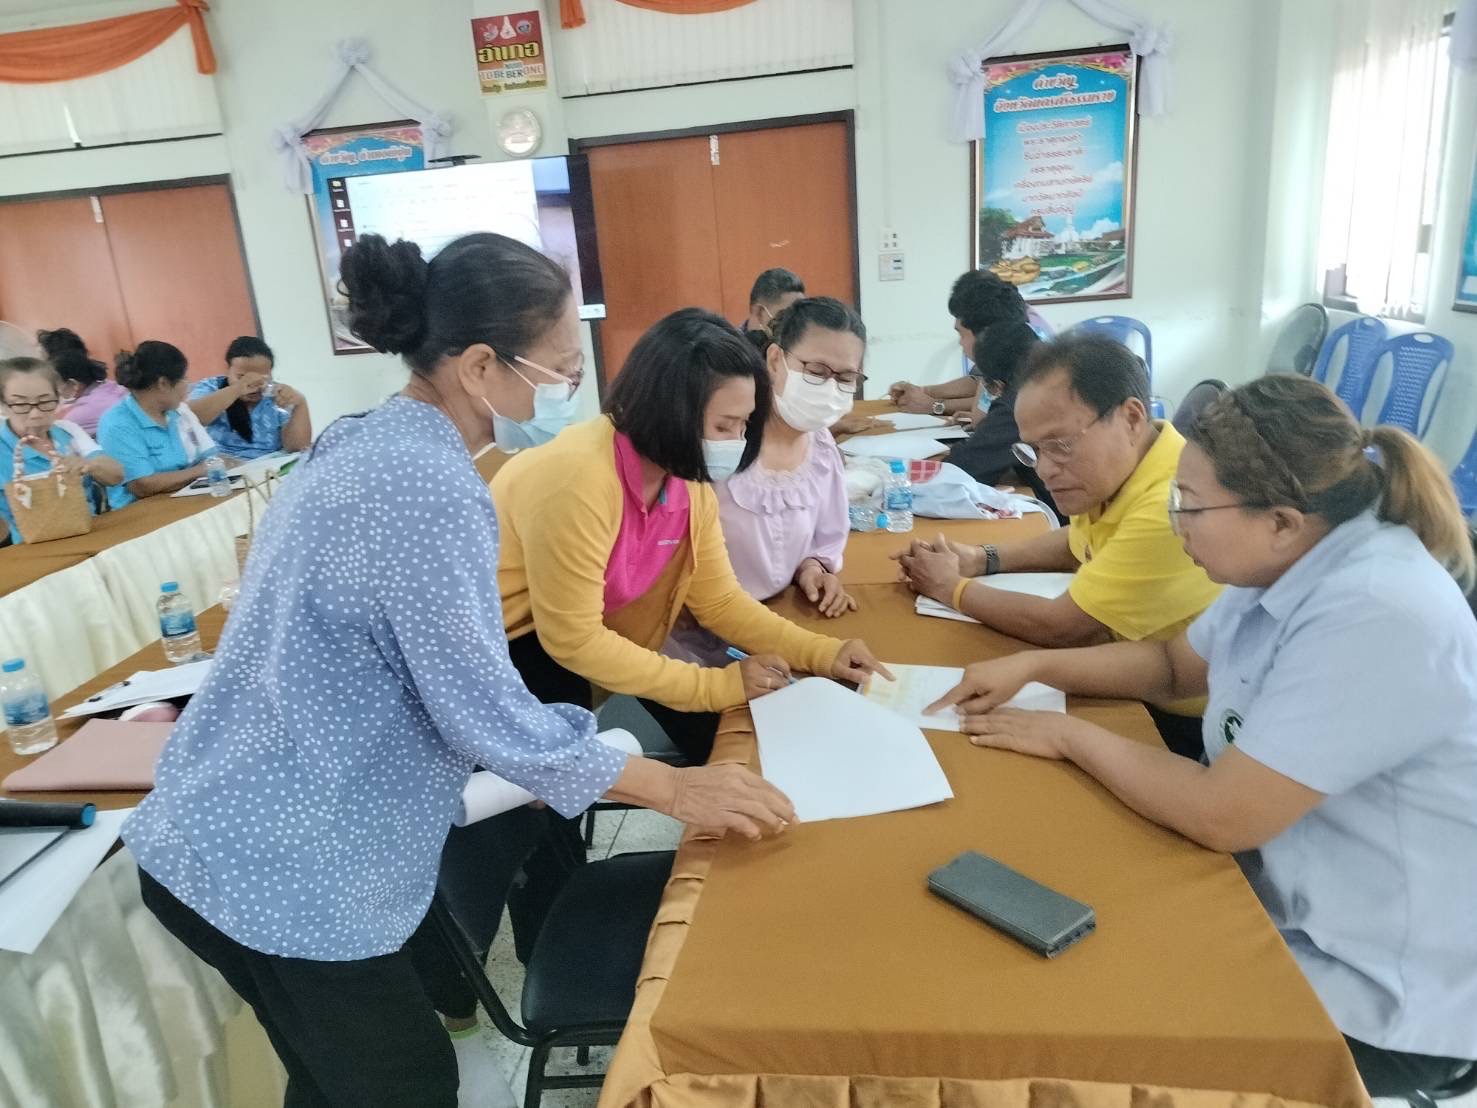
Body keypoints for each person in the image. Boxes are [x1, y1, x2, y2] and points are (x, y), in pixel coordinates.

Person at [123, 231, 796, 1108]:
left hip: (224, 821)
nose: (569, 389)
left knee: (333, 1080)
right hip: (281, 852)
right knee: (404, 1081)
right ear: (480, 366)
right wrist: (672, 789)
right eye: (560, 369)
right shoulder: (427, 485)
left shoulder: (370, 439)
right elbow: (480, 708)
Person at [927, 375, 1477, 1098]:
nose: (1177, 523)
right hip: (1283, 897)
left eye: (1188, 504)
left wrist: (1067, 736)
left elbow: (1223, 813)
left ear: (1280, 520)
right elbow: (1172, 666)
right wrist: (1033, 665)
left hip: (1376, 989)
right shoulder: (1284, 561)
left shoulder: (1378, 611)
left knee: (1072, 1020)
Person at [490, 307, 892, 766]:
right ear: (670, 411)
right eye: (724, 426)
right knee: (552, 789)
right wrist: (716, 686)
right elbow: (574, 640)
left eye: (744, 425)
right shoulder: (577, 480)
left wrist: (823, 653)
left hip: (598, 641)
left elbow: (719, 601)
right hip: (513, 653)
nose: (736, 442)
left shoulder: (684, 477)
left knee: (763, 737)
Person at [895, 335, 1221, 759]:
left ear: (1131, 417)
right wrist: (983, 558)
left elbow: (1062, 627)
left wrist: (950, 588)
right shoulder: (1122, 468)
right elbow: (1077, 542)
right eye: (1034, 450)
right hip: (1135, 673)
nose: (1046, 469)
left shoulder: (1173, 504)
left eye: (1061, 445)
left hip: (1181, 722)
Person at [667, 297, 863, 669]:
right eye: (817, 371)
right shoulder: (721, 441)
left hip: (780, 624)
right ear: (775, 360)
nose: (830, 388)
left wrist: (813, 569)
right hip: (700, 638)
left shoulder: (821, 448)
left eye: (845, 378)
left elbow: (825, 535)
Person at [888, 269, 1045, 418]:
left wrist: (935, 405)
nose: (960, 343)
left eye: (961, 334)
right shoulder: (1006, 353)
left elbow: (992, 407)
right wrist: (923, 391)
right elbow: (977, 382)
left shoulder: (1027, 379)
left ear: (985, 334)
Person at [0, 357, 124, 543]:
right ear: (3, 406)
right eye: (21, 405)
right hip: (31, 547)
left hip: (87, 532)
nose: (36, 413)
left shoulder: (67, 431)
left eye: (45, 401)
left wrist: (89, 465)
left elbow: (116, 476)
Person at [943, 322, 1059, 518]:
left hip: (1061, 517)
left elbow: (961, 470)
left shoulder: (1019, 405)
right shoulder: (1054, 382)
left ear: (997, 384)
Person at [97, 341, 218, 509]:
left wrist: (209, 467)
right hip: (142, 512)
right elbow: (142, 485)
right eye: (184, 379)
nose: (188, 385)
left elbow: (210, 457)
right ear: (163, 384)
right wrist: (199, 471)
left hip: (185, 500)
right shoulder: (118, 424)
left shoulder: (177, 412)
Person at [188, 336, 312, 460]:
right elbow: (192, 418)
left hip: (270, 465)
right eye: (241, 376)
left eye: (263, 377)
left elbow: (296, 447)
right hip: (225, 464)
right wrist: (238, 388)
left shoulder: (276, 394)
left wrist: (300, 404)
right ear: (228, 370)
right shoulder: (211, 387)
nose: (254, 386)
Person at [37, 328, 127, 436]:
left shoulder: (78, 415)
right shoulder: (107, 386)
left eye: (42, 362)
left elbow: (49, 435)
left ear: (72, 384)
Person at [740, 267, 805, 337]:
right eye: (789, 317)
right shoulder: (732, 343)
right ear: (760, 313)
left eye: (802, 316)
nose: (798, 325)